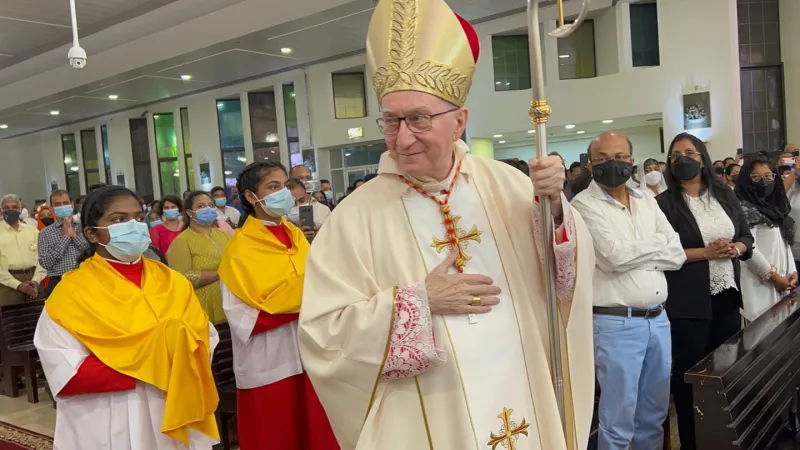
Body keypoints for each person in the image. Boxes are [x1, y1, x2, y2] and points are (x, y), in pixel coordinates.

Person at [298, 1, 595, 448]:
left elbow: (563, 280)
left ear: (460, 121)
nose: (402, 137)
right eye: (392, 120)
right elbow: (323, 338)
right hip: (429, 414)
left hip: (522, 386)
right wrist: (418, 302)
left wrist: (555, 210)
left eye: (418, 118)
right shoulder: (353, 218)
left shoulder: (508, 185)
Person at [33, 185, 220, 449]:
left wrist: (158, 358)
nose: (132, 225)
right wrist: (161, 361)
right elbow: (65, 372)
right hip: (110, 416)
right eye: (119, 219)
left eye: (137, 217)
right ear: (91, 233)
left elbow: (205, 337)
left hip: (175, 403)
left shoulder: (173, 282)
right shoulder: (71, 292)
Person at [572, 132, 686, 449]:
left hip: (658, 321)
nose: (613, 164)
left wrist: (640, 251)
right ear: (591, 164)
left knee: (653, 416)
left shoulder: (645, 199)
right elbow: (614, 257)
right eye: (603, 159)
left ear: (632, 160)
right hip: (615, 324)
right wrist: (656, 246)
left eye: (620, 157)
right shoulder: (583, 205)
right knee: (618, 419)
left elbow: (676, 254)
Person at [218, 161, 338, 450]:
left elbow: (318, 283)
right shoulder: (240, 249)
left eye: (285, 186)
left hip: (309, 351)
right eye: (273, 187)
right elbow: (242, 317)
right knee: (276, 438)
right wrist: (303, 304)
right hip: (270, 361)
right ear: (250, 197)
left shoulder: (296, 236)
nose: (283, 192)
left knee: (316, 435)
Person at [656, 133, 753, 450]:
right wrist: (706, 253)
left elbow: (746, 237)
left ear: (702, 158)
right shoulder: (664, 204)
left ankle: (723, 439)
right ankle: (691, 442)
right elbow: (662, 253)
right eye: (675, 155)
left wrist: (734, 249)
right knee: (689, 378)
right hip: (688, 303)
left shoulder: (723, 194)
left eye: (689, 152)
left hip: (726, 295)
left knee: (725, 373)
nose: (682, 159)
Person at [735, 153, 797, 321]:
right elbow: (747, 248)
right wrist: (774, 277)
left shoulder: (775, 206)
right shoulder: (743, 208)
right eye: (756, 177)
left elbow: (785, 242)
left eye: (768, 176)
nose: (764, 181)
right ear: (746, 180)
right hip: (757, 282)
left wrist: (792, 271)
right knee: (759, 337)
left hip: (782, 281)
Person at [167, 191, 231, 324]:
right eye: (201, 206)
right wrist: (222, 272)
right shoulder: (182, 241)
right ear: (190, 213)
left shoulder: (225, 236)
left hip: (231, 302)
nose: (208, 209)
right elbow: (183, 278)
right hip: (203, 306)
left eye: (211, 205)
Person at [37, 190, 90, 296]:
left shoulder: (84, 227)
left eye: (65, 203)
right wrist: (65, 237)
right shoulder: (45, 233)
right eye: (57, 204)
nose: (62, 206)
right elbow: (45, 263)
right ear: (52, 208)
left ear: (72, 204)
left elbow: (90, 253)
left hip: (85, 279)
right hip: (58, 282)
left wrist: (74, 236)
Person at [0, 194, 46, 305]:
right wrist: (18, 285)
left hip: (34, 281)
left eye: (15, 207)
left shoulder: (32, 231)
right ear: (1, 210)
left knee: (37, 318)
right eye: (6, 208)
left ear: (20, 209)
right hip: (8, 285)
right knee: (12, 320)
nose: (11, 210)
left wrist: (36, 280)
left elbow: (43, 257)